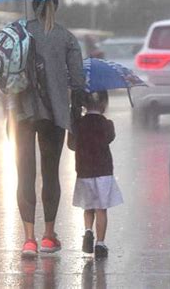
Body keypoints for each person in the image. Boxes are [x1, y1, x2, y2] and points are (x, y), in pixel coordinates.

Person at [10, 0, 85, 257]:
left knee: (25, 174)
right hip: (54, 114)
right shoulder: (66, 37)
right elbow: (78, 80)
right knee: (50, 174)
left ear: (33, 5)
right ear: (56, 5)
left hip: (21, 113)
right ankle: (48, 237)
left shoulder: (18, 32)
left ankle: (28, 240)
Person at [72, 91, 123, 258]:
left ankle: (88, 231)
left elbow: (72, 145)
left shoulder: (79, 124)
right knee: (101, 208)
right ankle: (100, 243)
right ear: (104, 103)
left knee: (88, 207)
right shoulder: (107, 124)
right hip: (103, 172)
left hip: (84, 171)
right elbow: (110, 137)